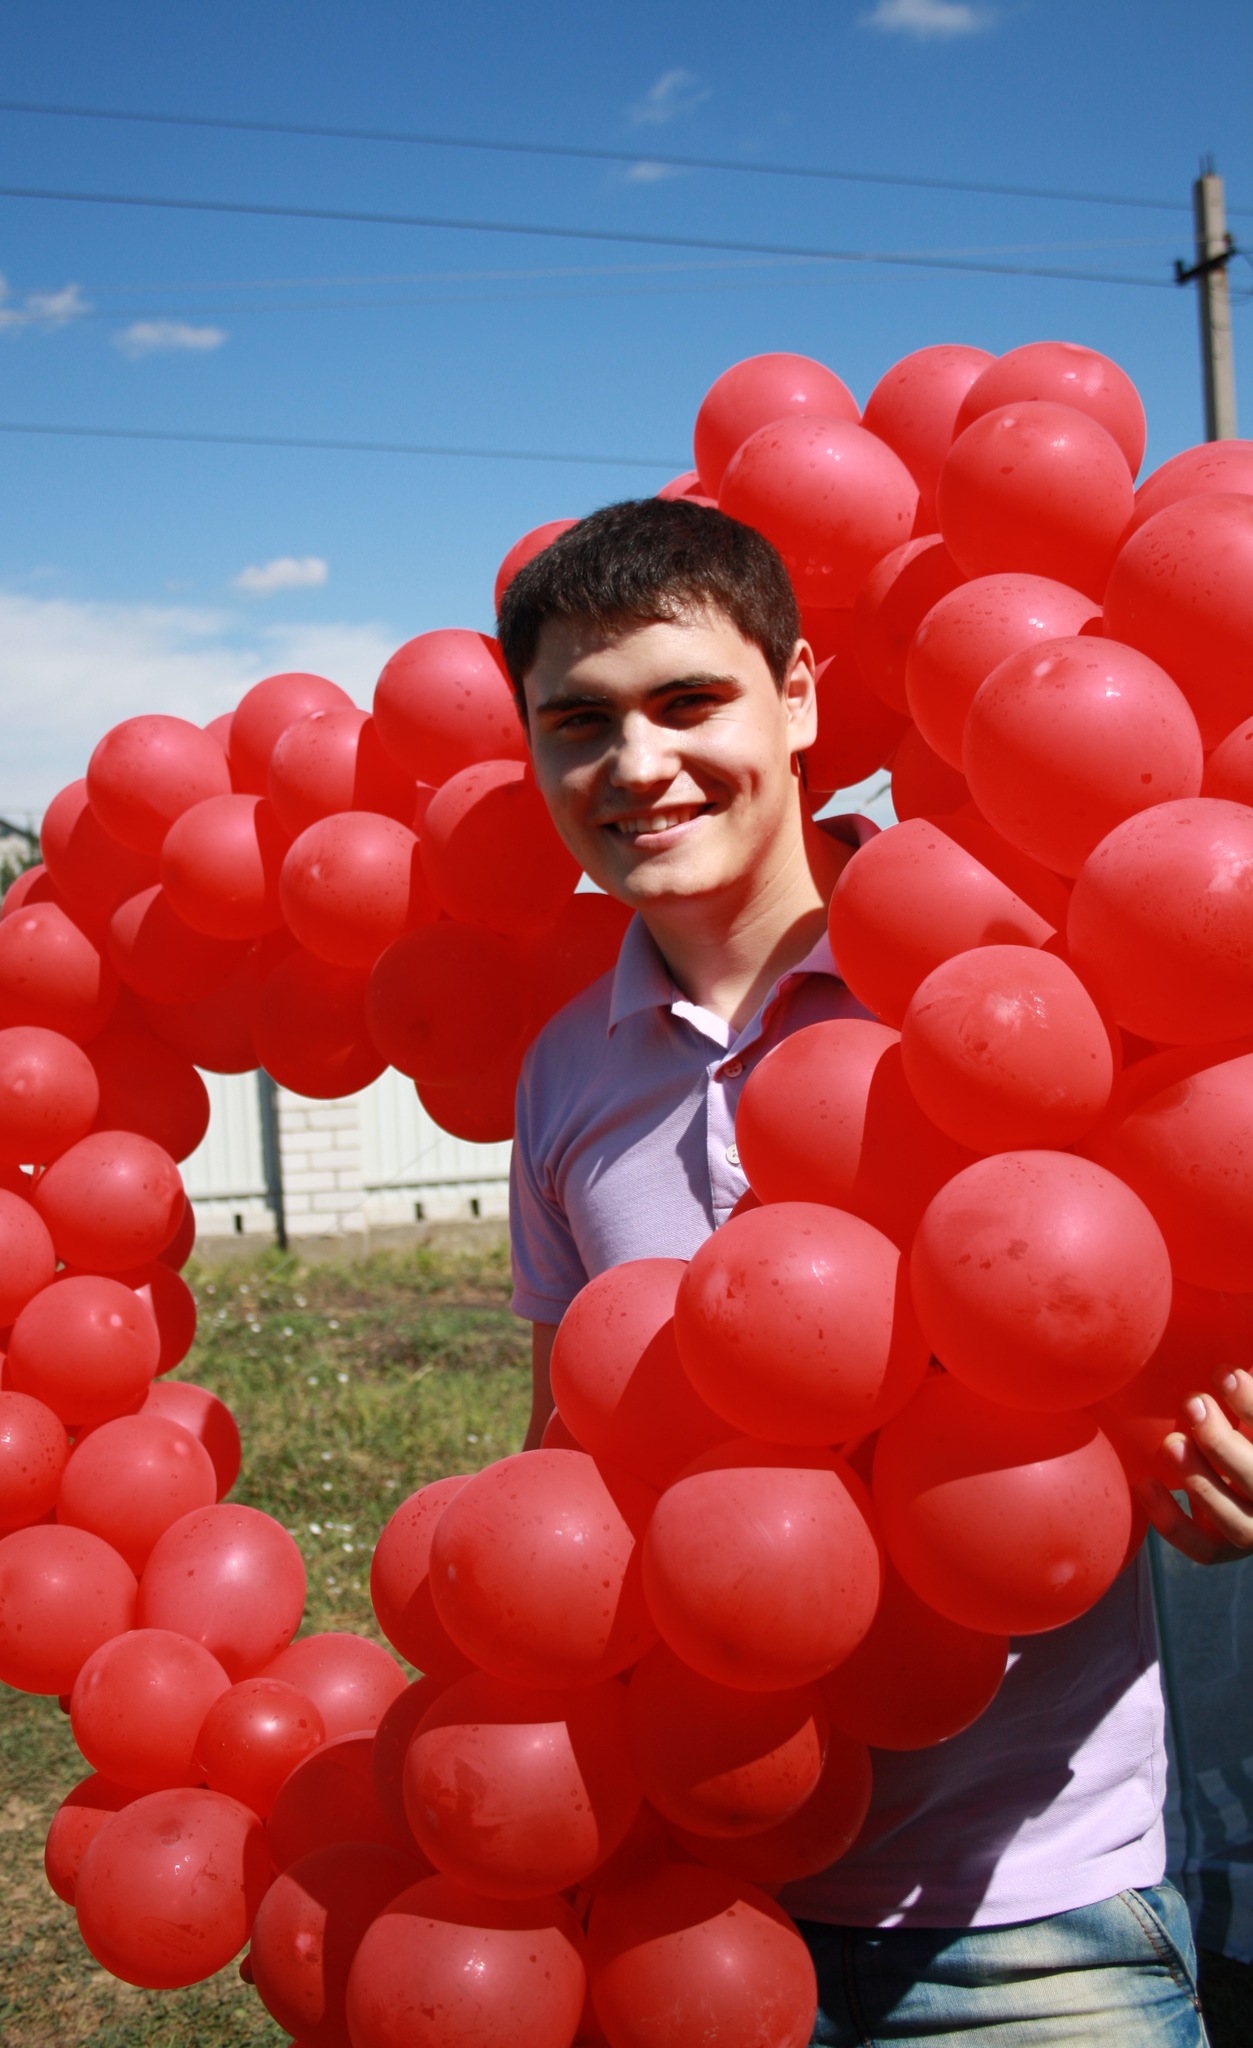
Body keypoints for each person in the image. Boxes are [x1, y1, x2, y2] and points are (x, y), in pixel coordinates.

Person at [497, 495, 1253, 2046]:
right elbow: (567, 1433)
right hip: (693, 1902)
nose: (635, 765)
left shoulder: (1016, 960)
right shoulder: (561, 1068)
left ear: (795, 697)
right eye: (578, 722)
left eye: (687, 701)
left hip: (1035, 1926)